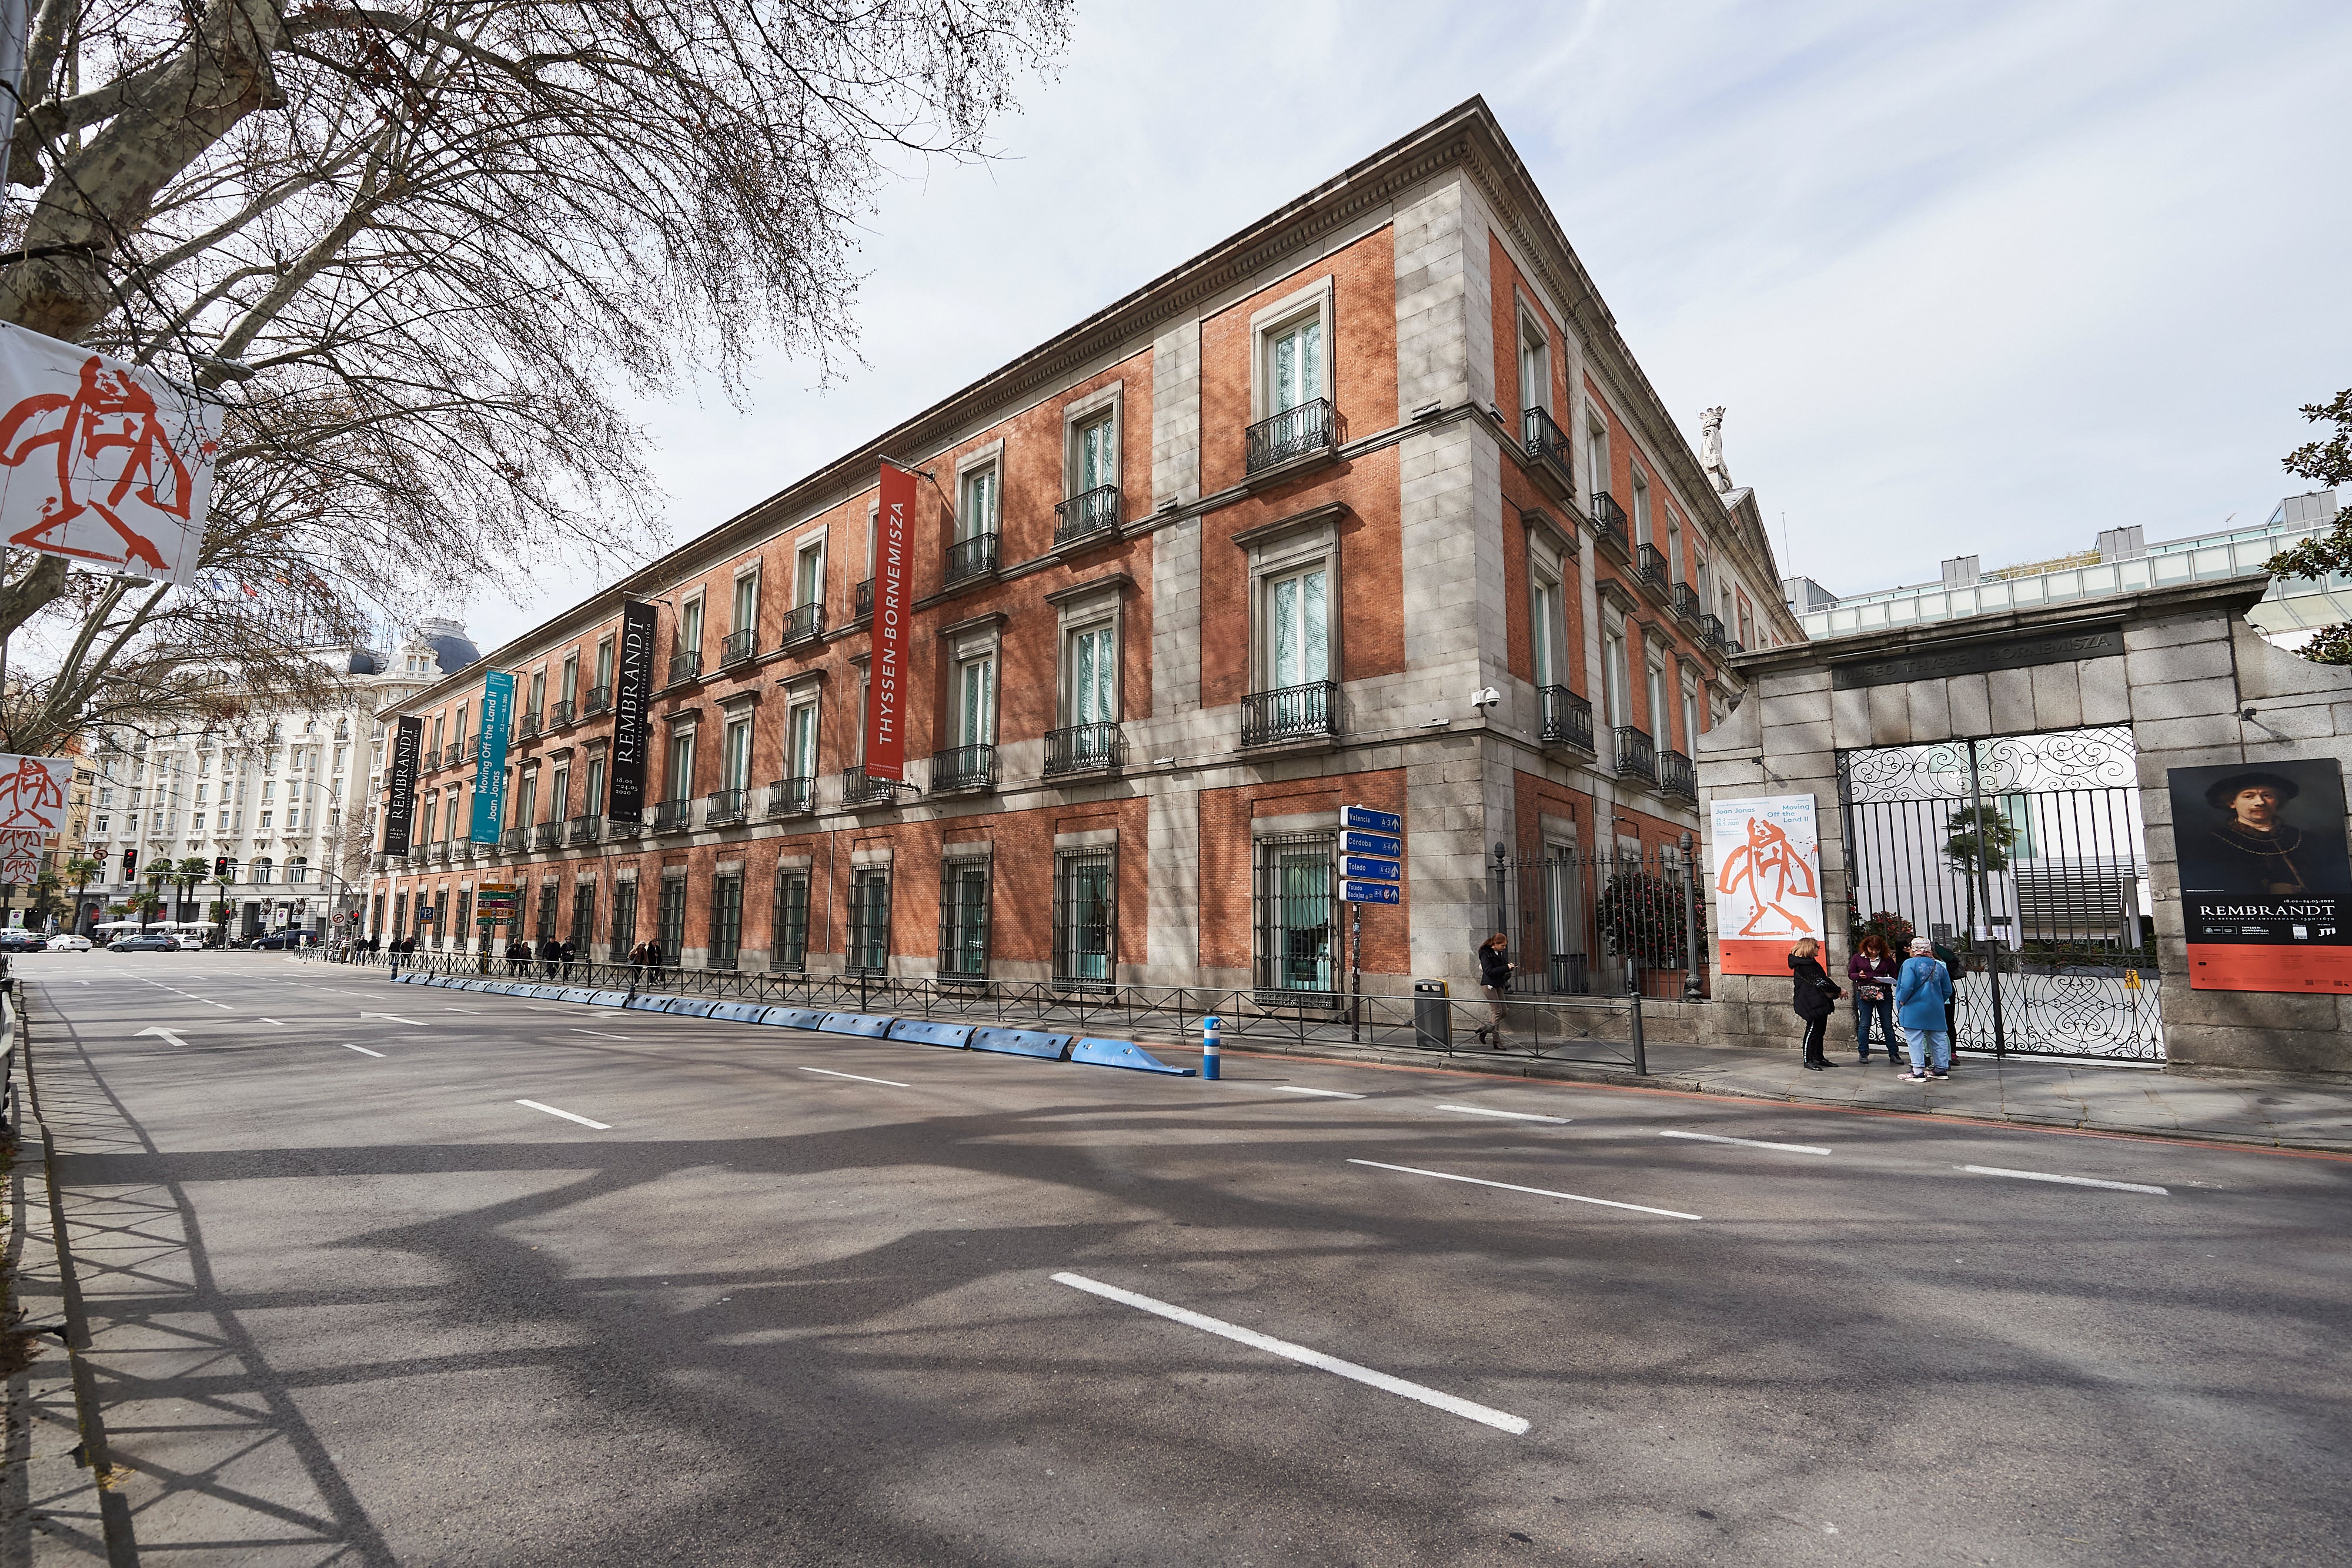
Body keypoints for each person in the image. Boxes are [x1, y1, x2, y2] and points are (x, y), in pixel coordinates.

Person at [1894, 936, 1956, 1081]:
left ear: (1914, 949)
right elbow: (1948, 990)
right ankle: (1941, 1069)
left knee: (1915, 1038)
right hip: (1935, 1007)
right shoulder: (1939, 965)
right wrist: (1937, 1000)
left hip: (1914, 1007)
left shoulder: (1910, 964)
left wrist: (1902, 1000)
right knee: (1938, 1037)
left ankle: (1917, 1070)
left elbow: (1907, 985)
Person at [1788, 937, 1842, 1070]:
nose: (1819, 948)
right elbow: (1821, 983)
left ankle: (1818, 1057)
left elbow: (1824, 979)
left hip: (1818, 1001)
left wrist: (1838, 990)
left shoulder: (1811, 963)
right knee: (1812, 1031)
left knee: (1820, 1031)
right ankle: (1808, 1059)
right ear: (1809, 948)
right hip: (1810, 1003)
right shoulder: (1803, 966)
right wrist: (1839, 990)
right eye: (1817, 946)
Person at [1846, 933, 1900, 1064]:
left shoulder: (1886, 959)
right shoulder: (1858, 958)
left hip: (1884, 993)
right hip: (1865, 993)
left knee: (1887, 1024)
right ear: (1866, 948)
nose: (1874, 952)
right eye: (1872, 950)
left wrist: (1886, 980)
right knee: (1865, 1024)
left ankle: (1893, 1053)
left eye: (1877, 950)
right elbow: (1851, 974)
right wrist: (1859, 975)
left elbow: (1895, 975)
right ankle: (1863, 1053)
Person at [1474, 934, 1513, 1047]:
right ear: (1495, 944)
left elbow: (1503, 965)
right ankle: (1497, 1041)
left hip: (1498, 984)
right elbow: (1489, 971)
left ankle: (1484, 1030)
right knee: (1497, 1012)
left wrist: (1509, 966)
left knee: (1504, 1012)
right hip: (1489, 985)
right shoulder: (1486, 954)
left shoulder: (1498, 953)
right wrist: (1506, 968)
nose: (1504, 948)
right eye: (1503, 945)